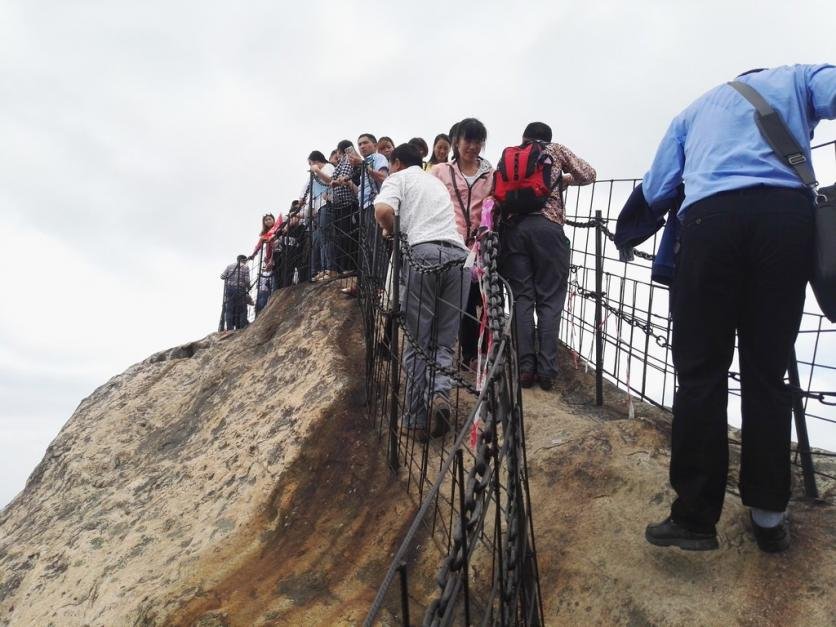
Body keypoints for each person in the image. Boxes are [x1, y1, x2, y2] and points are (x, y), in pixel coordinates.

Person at [640, 65, 836, 553]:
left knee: (701, 371)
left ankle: (694, 518)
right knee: (768, 370)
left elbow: (658, 187)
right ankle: (768, 516)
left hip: (710, 223)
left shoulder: (694, 108)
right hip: (785, 221)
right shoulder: (798, 77)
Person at [374, 143, 469, 442]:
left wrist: (391, 232)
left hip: (422, 254)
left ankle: (415, 418)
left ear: (397, 163)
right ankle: (439, 396)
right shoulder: (435, 182)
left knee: (417, 341)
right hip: (459, 259)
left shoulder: (398, 178)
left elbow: (382, 210)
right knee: (443, 342)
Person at [498, 121, 596, 391]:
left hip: (514, 230)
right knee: (550, 301)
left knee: (521, 299)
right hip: (549, 229)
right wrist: (564, 179)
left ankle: (525, 369)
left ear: (524, 138)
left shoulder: (511, 155)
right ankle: (547, 370)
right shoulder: (555, 150)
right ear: (548, 138)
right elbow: (589, 174)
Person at [432, 118, 494, 370]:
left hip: (483, 245)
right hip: (451, 243)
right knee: (464, 300)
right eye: (468, 140)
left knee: (488, 300)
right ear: (456, 142)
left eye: (478, 141)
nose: (473, 146)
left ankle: (484, 352)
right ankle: (470, 354)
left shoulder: (490, 174)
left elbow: (494, 204)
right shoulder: (439, 172)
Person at [346, 133, 389, 295]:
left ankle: (382, 285)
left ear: (375, 144)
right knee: (365, 247)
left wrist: (363, 165)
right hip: (363, 206)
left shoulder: (378, 158)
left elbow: (383, 178)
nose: (362, 146)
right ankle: (364, 283)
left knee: (376, 245)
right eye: (359, 144)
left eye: (365, 143)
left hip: (373, 204)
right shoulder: (366, 163)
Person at [301, 150, 337, 282]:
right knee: (322, 239)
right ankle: (323, 268)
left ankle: (331, 268)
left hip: (327, 204)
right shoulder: (315, 174)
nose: (310, 166)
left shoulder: (328, 167)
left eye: (310, 163)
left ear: (316, 161)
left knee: (326, 237)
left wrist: (317, 171)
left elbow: (330, 181)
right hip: (319, 207)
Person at [329, 140, 361, 278]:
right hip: (341, 204)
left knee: (348, 235)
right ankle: (345, 267)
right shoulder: (343, 161)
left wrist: (337, 182)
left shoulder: (347, 159)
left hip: (347, 203)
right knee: (342, 236)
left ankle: (349, 267)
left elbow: (344, 176)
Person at [220, 255, 251, 331]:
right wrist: (249, 287)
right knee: (242, 309)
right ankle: (241, 327)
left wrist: (229, 278)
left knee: (229, 309)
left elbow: (222, 276)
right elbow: (247, 280)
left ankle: (229, 328)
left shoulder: (230, 266)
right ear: (244, 260)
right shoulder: (245, 267)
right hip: (240, 289)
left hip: (229, 289)